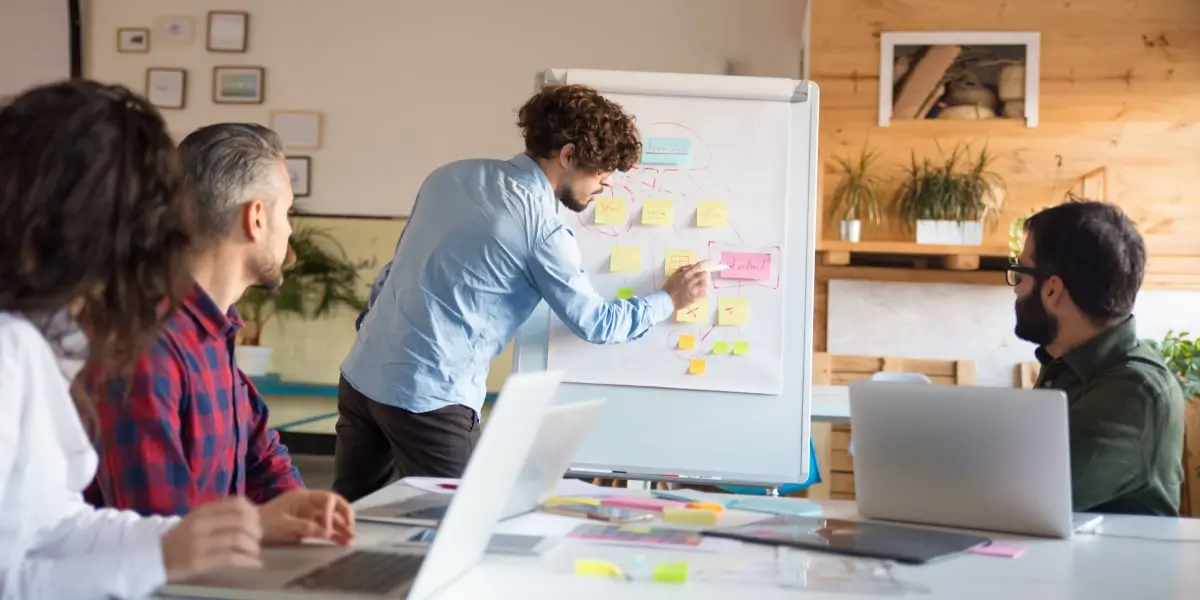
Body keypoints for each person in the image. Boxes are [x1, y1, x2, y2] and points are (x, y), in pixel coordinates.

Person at [0, 80, 352, 598]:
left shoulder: (40, 339)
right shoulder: (19, 347)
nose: (168, 229)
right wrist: (165, 554)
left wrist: (230, 531)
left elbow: (56, 527)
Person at [335, 84, 711, 501]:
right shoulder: (541, 227)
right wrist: (670, 299)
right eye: (601, 170)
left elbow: (394, 271)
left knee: (345, 514)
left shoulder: (449, 175)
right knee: (460, 522)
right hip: (428, 397)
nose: (605, 183)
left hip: (362, 373)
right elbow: (596, 323)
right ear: (568, 155)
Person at [83, 122, 310, 517]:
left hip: (213, 553)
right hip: (176, 556)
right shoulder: (145, 346)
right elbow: (160, 528)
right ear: (256, 218)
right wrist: (261, 527)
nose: (289, 230)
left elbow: (261, 458)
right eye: (287, 211)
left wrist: (308, 514)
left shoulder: (215, 326)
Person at [1008, 200, 1184, 516]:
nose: (1015, 289)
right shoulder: (1068, 365)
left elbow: (1027, 496)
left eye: (1020, 273)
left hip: (1116, 552)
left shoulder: (1133, 390)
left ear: (1052, 290)